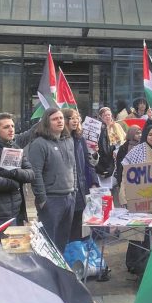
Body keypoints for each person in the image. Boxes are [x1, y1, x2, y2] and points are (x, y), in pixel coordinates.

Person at [120, 122, 152, 276]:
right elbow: (126, 167)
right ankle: (133, 262)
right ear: (146, 135)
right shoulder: (137, 150)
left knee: (149, 231)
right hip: (137, 196)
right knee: (136, 230)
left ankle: (144, 262)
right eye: (150, 134)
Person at [27, 108, 76, 252]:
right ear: (46, 122)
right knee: (48, 242)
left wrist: (75, 190)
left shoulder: (69, 140)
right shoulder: (39, 144)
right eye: (55, 119)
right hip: (51, 199)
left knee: (62, 240)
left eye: (61, 118)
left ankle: (60, 271)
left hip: (69, 197)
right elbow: (35, 173)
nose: (60, 121)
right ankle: (48, 272)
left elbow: (73, 167)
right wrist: (42, 199)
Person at [63, 109, 98, 241]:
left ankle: (78, 254)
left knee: (80, 225)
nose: (75, 120)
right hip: (66, 189)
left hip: (81, 188)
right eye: (72, 118)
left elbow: (88, 161)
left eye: (77, 118)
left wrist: (94, 182)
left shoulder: (80, 138)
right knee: (68, 228)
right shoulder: (60, 139)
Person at [113, 125, 142, 197]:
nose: (139, 135)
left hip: (141, 178)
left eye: (140, 133)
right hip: (127, 178)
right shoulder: (124, 148)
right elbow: (119, 165)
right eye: (137, 133)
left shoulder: (143, 146)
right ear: (131, 134)